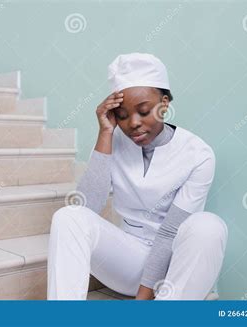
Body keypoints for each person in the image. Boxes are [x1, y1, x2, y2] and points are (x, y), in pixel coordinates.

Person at [47, 53, 228, 300]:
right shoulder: (111, 141)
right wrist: (105, 133)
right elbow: (87, 209)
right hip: (128, 261)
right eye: (122, 115)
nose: (133, 123)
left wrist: (141, 303)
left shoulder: (198, 154)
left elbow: (168, 234)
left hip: (175, 270)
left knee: (209, 226)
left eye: (144, 111)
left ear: (164, 104)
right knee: (68, 215)